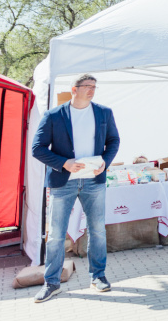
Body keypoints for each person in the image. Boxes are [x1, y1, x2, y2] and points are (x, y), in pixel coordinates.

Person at [31, 74, 120, 303]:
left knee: (98, 230)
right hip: (63, 181)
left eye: (94, 86)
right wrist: (64, 162)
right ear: (74, 89)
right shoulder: (53, 116)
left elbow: (114, 141)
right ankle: (51, 283)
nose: (92, 90)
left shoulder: (104, 113)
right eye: (87, 86)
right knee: (56, 235)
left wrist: (104, 162)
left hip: (94, 180)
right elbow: (37, 148)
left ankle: (98, 277)